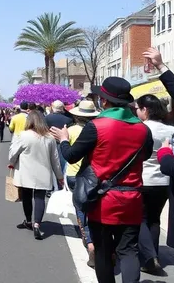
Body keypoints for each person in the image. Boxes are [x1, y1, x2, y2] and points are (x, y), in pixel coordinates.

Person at [51, 77, 153, 283]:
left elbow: (71, 155)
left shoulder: (97, 126)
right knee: (129, 251)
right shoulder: (143, 129)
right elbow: (147, 154)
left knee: (104, 252)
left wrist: (63, 139)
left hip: (102, 200)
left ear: (105, 102)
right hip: (132, 198)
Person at [134, 94, 174, 275]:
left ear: (145, 110)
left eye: (138, 108)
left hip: (144, 178)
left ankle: (150, 256)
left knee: (140, 217)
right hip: (164, 180)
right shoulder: (172, 130)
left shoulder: (140, 128)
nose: (136, 111)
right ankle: (153, 256)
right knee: (154, 218)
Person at [8, 111, 63, 240]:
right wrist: (59, 176)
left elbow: (13, 153)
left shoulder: (23, 135)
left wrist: (11, 162)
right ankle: (37, 223)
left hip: (26, 172)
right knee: (40, 198)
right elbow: (55, 159)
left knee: (26, 196)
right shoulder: (49, 138)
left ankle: (28, 221)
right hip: (43, 173)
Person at [64, 100, 100, 269]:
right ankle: (99, 242)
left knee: (80, 209)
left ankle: (90, 243)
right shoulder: (97, 129)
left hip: (73, 175)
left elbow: (66, 154)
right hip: (93, 175)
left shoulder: (70, 130)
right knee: (94, 209)